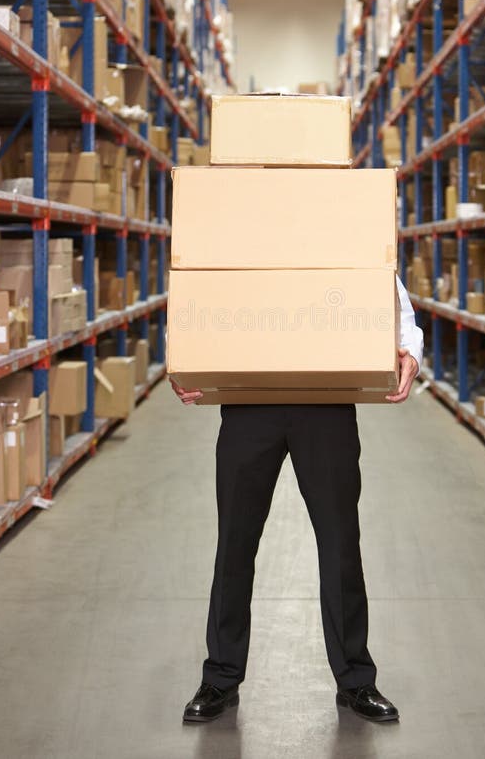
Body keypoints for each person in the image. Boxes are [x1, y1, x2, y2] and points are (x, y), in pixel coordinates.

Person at [171, 275, 423, 724]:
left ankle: (355, 678)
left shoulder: (337, 219)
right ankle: (222, 676)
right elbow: (202, 282)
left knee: (340, 542)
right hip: (249, 400)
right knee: (234, 543)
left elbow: (381, 280)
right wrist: (184, 359)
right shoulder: (240, 223)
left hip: (326, 400)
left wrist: (408, 348)